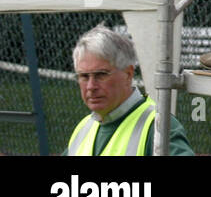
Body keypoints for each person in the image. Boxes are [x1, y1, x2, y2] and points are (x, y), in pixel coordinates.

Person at [67, 26, 193, 156]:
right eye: (84, 76)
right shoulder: (83, 129)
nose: (90, 86)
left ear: (128, 74)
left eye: (101, 75)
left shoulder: (158, 126)